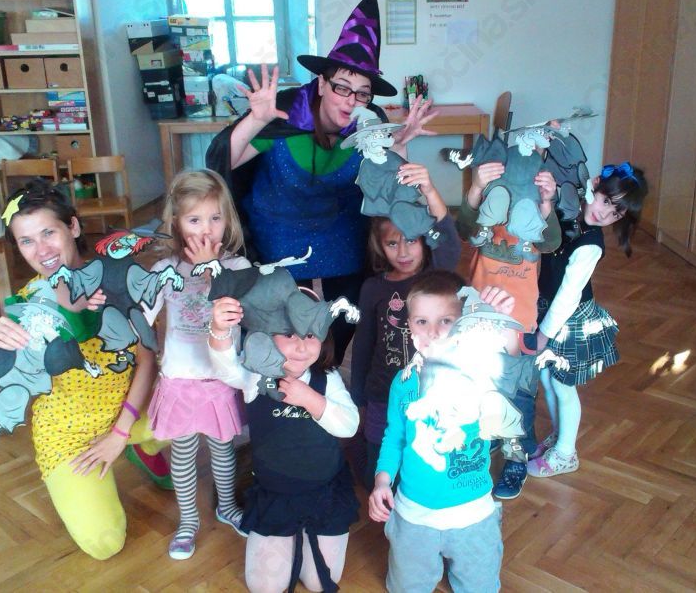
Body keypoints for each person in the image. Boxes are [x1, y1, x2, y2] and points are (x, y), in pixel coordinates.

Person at [205, 0, 436, 361]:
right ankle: (283, 376)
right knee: (280, 314)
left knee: (347, 310)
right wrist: (256, 120)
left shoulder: (370, 122)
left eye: (362, 93)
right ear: (322, 83)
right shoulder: (286, 111)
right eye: (342, 87)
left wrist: (399, 147)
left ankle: (327, 368)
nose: (350, 100)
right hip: (278, 229)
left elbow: (390, 186)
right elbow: (223, 161)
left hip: (340, 228)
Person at [0, 180, 170, 559]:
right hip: (69, 437)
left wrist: (119, 434)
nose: (42, 250)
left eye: (48, 233)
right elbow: (0, 394)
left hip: (127, 414)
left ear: (72, 226)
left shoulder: (117, 279)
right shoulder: (26, 309)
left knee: (206, 407)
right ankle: (127, 447)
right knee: (105, 544)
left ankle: (140, 444)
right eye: (27, 241)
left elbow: (147, 359)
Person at [368, 270, 516, 593]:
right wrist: (382, 479)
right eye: (422, 321)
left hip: (472, 515)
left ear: (465, 323)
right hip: (414, 515)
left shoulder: (480, 372)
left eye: (446, 321)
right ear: (409, 325)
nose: (433, 332)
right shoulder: (403, 383)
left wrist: (500, 320)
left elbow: (508, 360)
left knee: (480, 587)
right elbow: (395, 437)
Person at [208, 290, 359, 593]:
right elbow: (224, 368)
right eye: (289, 334)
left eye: (310, 334)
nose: (302, 346)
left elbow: (350, 425)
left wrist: (311, 399)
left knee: (318, 583)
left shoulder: (327, 377)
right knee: (264, 587)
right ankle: (289, 536)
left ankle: (307, 534)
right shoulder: (254, 375)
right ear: (265, 334)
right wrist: (220, 330)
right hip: (276, 493)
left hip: (323, 491)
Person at [143, 170, 249, 559]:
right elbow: (142, 314)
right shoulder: (165, 270)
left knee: (223, 449)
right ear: (176, 222)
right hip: (180, 380)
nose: (206, 229)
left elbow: (241, 307)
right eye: (194, 219)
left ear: (227, 220)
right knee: (184, 452)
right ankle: (188, 520)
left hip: (219, 379)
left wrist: (211, 269)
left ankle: (228, 506)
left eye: (215, 218)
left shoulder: (237, 268)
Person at [456, 125, 561, 500]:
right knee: (479, 386)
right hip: (480, 321)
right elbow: (464, 228)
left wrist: (547, 204)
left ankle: (517, 455)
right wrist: (475, 188)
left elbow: (551, 242)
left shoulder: (534, 221)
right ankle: (482, 446)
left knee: (520, 395)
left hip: (520, 324)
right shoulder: (487, 219)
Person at [528, 162, 648, 478]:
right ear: (594, 185)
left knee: (562, 384)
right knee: (547, 379)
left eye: (615, 213)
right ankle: (560, 436)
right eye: (606, 201)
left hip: (569, 318)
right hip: (549, 309)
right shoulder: (569, 211)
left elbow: (568, 296)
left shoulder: (591, 244)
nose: (604, 213)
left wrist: (543, 335)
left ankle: (566, 453)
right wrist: (547, 197)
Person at [349, 164, 460, 489]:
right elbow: (364, 345)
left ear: (425, 240)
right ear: (379, 246)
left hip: (428, 391)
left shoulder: (433, 279)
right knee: (378, 462)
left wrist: (429, 190)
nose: (403, 252)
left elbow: (450, 241)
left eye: (411, 240)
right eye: (392, 244)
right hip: (382, 392)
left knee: (423, 455)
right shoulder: (373, 288)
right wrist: (359, 397)